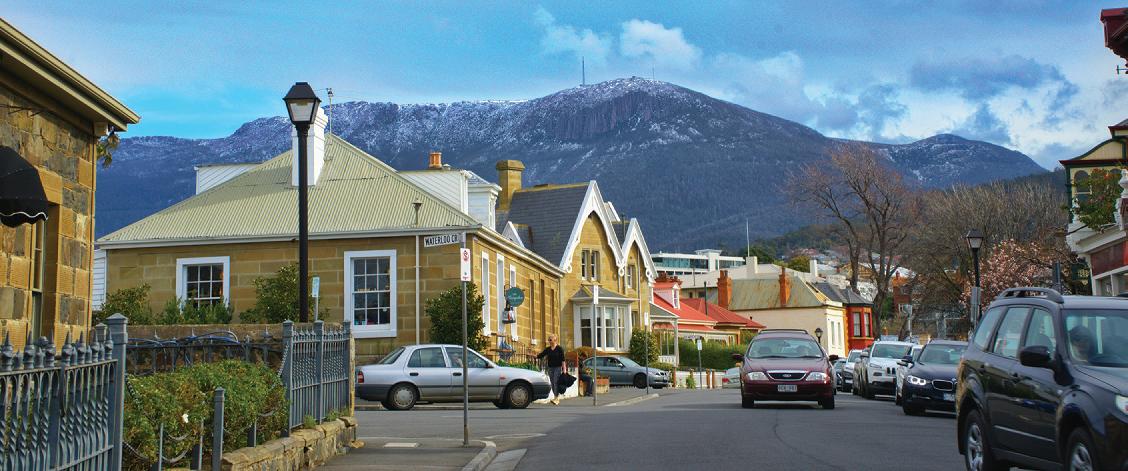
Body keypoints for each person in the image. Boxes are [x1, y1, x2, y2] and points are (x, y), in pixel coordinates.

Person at [536, 334, 566, 405]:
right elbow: (541, 355)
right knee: (552, 383)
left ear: (555, 340)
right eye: (548, 339)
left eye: (550, 339)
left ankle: (556, 398)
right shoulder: (548, 349)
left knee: (555, 381)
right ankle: (556, 397)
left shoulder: (559, 349)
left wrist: (564, 369)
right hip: (550, 368)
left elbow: (563, 360)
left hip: (557, 368)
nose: (549, 341)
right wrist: (535, 356)